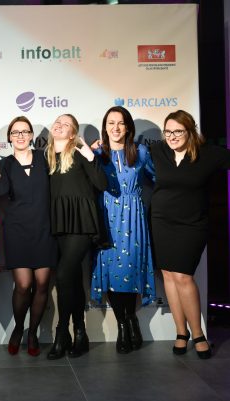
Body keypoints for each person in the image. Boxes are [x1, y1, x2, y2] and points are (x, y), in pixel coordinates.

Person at [150, 110, 230, 359]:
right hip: (161, 221)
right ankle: (181, 332)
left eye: (178, 131)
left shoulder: (209, 154)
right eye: (168, 132)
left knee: (183, 276)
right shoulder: (157, 150)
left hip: (192, 224)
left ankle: (198, 334)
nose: (172, 136)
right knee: (168, 275)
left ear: (190, 131)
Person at [0, 116, 57, 357]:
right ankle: (19, 328)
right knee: (23, 285)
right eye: (15, 132)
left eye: (25, 131)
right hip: (17, 231)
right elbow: (0, 190)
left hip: (44, 230)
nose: (20, 136)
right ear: (10, 138)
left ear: (32, 135)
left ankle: (32, 333)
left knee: (42, 284)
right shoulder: (5, 164)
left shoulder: (45, 159)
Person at [90, 106, 156, 354]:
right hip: (106, 218)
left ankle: (131, 319)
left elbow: (160, 179)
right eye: (111, 123)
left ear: (128, 127)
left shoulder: (141, 152)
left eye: (120, 123)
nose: (115, 128)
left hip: (133, 220)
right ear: (105, 127)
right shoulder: (97, 153)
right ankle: (123, 325)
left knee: (128, 270)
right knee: (112, 273)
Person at [45, 114, 107, 360]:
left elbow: (101, 183)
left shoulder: (81, 154)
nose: (59, 125)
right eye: (57, 122)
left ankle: (62, 333)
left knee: (63, 275)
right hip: (59, 223)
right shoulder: (46, 157)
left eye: (66, 124)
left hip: (81, 223)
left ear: (73, 134)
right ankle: (80, 333)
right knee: (71, 278)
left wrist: (91, 156)